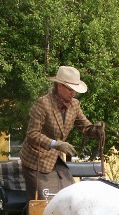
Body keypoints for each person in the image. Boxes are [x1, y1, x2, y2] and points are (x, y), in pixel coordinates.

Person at [20, 65, 104, 200]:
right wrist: (56, 144)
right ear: (59, 86)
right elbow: (32, 135)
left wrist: (97, 130)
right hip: (36, 161)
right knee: (43, 201)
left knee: (69, 196)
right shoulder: (43, 103)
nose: (74, 94)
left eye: (75, 90)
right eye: (71, 90)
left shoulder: (74, 105)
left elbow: (86, 127)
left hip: (56, 160)